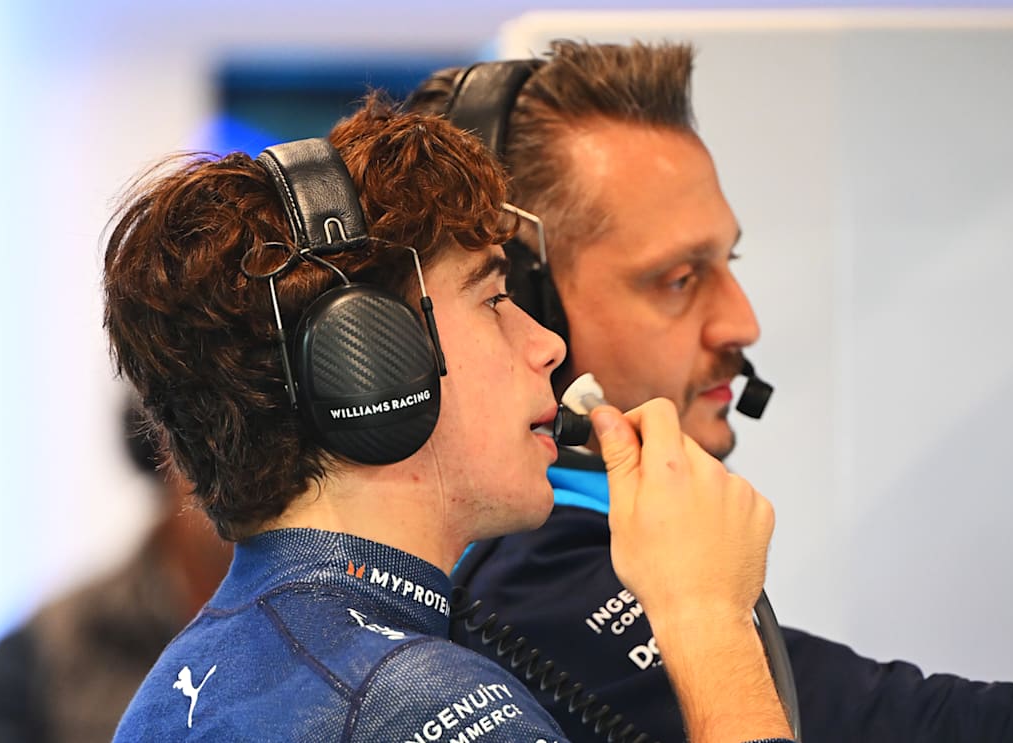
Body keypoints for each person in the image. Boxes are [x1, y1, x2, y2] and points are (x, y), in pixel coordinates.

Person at [406, 39, 1013, 743]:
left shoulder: (577, 542)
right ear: (522, 296)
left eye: (726, 264)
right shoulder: (526, 583)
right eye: (677, 278)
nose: (742, 322)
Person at [102, 91, 793, 742]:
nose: (545, 343)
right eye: (493, 298)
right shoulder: (427, 704)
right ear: (367, 366)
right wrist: (708, 619)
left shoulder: (172, 688)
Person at [0, 402, 232, 743]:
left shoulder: (309, 641)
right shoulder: (39, 657)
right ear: (164, 442)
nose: (260, 472)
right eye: (226, 434)